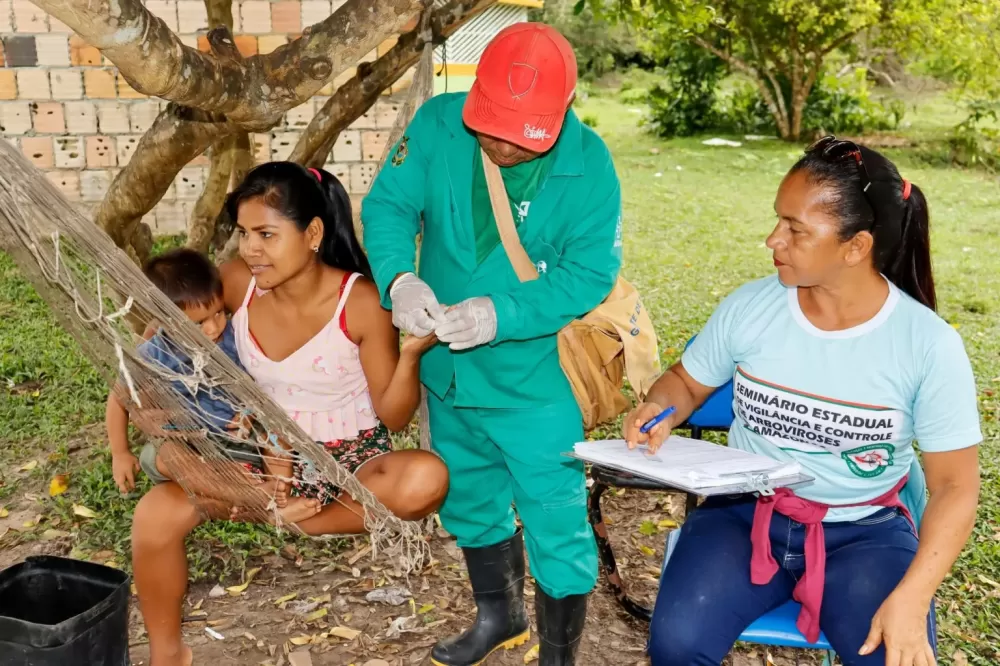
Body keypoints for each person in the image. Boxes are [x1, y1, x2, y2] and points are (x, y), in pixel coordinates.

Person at [625, 137, 982, 666]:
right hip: (744, 515)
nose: (773, 239)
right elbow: (686, 382)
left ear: (856, 247)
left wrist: (913, 595)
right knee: (676, 645)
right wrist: (659, 408)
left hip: (864, 534)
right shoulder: (752, 307)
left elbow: (954, 486)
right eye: (778, 220)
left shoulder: (926, 344)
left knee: (894, 656)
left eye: (795, 229)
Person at [362, 22, 623, 666]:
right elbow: (389, 206)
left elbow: (588, 274)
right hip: (449, 373)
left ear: (559, 115)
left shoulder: (590, 168)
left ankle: (559, 653)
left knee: (554, 518)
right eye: (493, 128)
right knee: (473, 497)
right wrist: (400, 278)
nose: (503, 146)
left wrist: (499, 313)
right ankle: (497, 617)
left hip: (534, 380)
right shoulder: (438, 125)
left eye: (521, 136)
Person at [130, 162, 450, 666]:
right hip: (261, 459)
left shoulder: (359, 301)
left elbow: (392, 418)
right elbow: (166, 328)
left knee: (424, 480)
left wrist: (410, 356)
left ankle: (297, 521)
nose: (249, 249)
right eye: (242, 234)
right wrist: (148, 380)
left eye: (265, 234)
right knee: (154, 513)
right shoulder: (239, 282)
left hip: (344, 461)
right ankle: (167, 655)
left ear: (313, 233)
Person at [105, 247, 245, 494]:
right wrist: (120, 453)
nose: (213, 328)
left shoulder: (235, 337)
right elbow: (119, 399)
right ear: (164, 320)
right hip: (186, 442)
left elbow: (260, 383)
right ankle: (234, 493)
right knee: (162, 457)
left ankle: (222, 490)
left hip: (237, 438)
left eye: (219, 313)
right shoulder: (154, 354)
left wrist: (251, 414)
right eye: (198, 323)